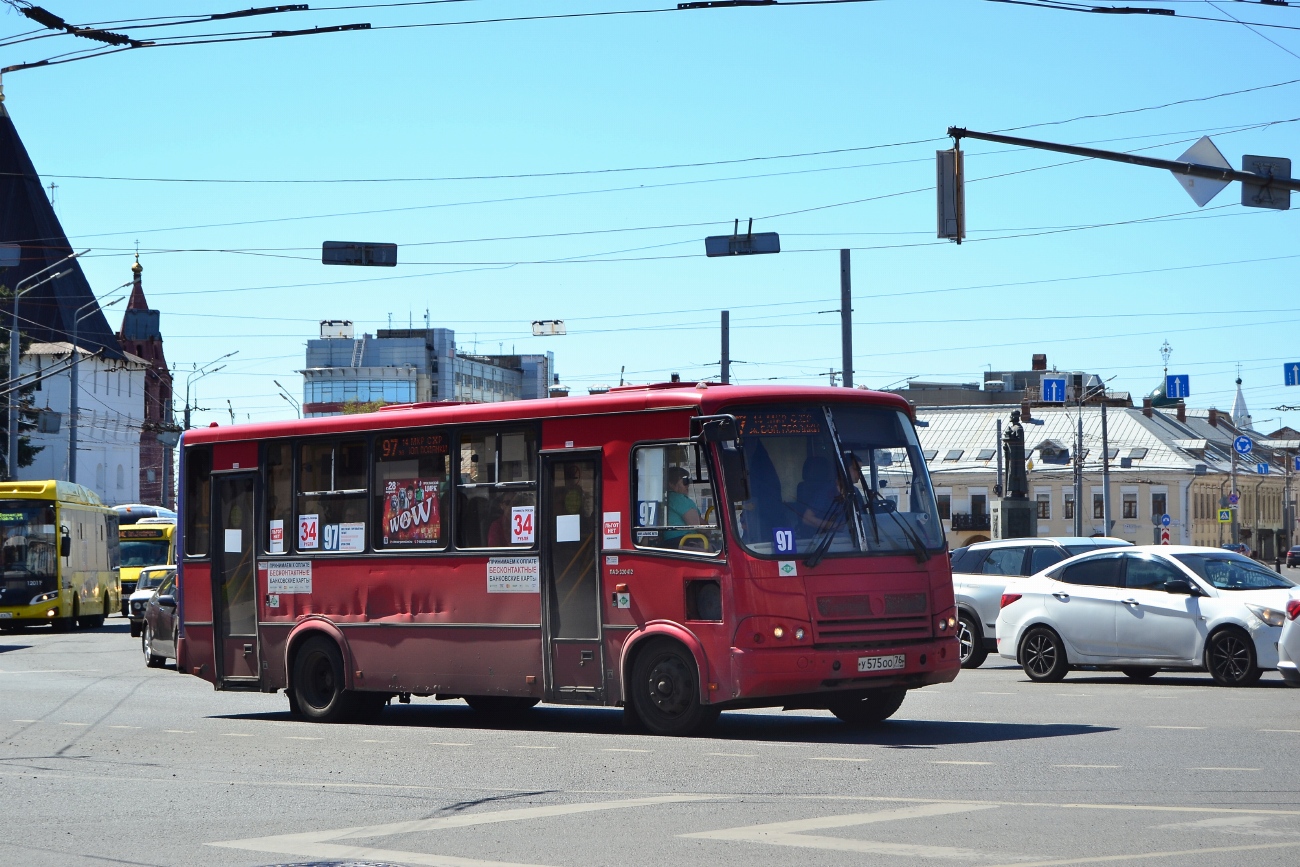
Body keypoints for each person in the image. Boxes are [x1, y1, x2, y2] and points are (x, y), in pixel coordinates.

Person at [663, 466, 702, 544]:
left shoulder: (666, 498)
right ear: (671, 484)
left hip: (671, 542)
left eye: (688, 481)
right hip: (684, 541)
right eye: (685, 481)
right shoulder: (678, 498)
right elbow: (698, 525)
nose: (688, 485)